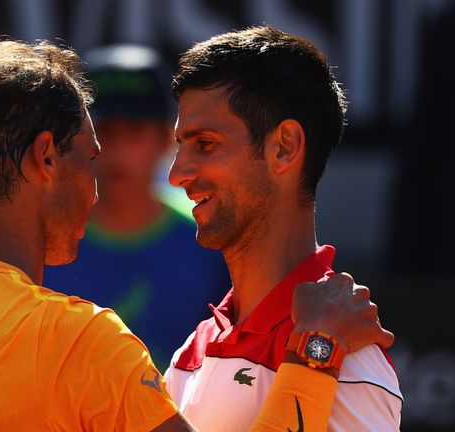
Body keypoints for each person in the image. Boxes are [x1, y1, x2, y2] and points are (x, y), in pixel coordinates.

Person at [0, 39, 394, 431]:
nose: (100, 185)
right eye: (90, 156)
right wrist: (314, 353)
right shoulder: (80, 345)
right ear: (45, 159)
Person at [163, 26, 403, 431]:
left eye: (205, 143)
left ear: (284, 147)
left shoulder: (351, 357)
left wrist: (316, 350)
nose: (177, 174)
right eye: (179, 146)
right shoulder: (193, 348)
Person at [44, 44, 230, 370]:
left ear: (165, 138)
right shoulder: (39, 241)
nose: (118, 151)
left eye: (135, 132)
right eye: (105, 132)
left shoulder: (212, 239)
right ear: (78, 139)